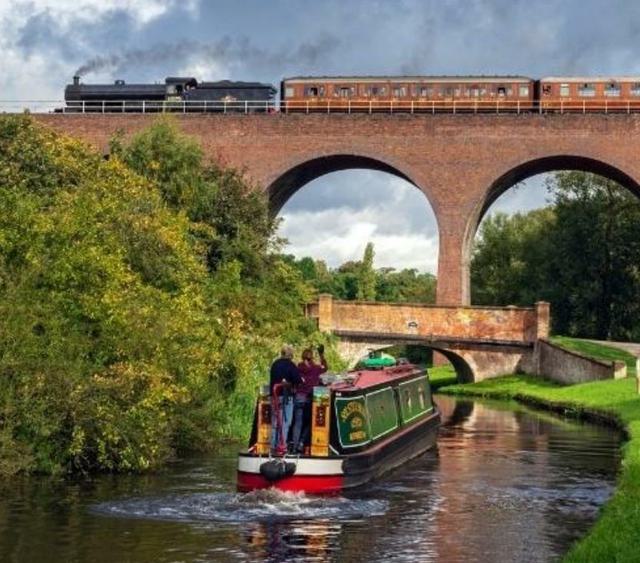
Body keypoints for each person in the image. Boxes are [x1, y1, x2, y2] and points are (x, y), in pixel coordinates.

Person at [292, 344, 328, 454]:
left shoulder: (298, 368)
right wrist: (321, 354)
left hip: (298, 397)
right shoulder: (316, 368)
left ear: (302, 357)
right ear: (311, 357)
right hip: (309, 398)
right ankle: (302, 442)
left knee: (298, 423)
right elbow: (325, 367)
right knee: (310, 422)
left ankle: (294, 446)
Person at [269, 344, 302, 453]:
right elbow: (298, 380)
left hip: (274, 396)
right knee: (285, 422)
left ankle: (273, 446)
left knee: (275, 422)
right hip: (286, 397)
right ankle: (281, 446)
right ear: (290, 354)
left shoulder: (274, 364)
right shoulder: (291, 365)